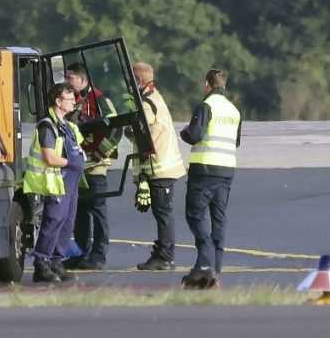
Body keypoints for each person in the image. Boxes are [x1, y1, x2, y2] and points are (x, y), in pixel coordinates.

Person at [179, 69, 241, 289]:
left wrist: (184, 133)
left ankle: (205, 262)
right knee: (218, 220)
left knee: (195, 215)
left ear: (207, 84)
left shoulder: (206, 106)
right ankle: (215, 271)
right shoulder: (234, 110)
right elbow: (236, 142)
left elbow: (195, 135)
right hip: (226, 170)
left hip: (205, 169)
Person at [23, 83, 86, 283]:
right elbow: (49, 157)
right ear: (58, 102)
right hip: (57, 180)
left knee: (67, 222)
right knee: (53, 221)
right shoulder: (47, 126)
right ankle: (41, 263)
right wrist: (71, 162)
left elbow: (79, 148)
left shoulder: (69, 126)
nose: (74, 102)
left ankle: (57, 262)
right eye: (70, 99)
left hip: (71, 181)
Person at [131, 62, 187, 271]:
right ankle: (164, 252)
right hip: (162, 167)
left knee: (163, 213)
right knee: (162, 212)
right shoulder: (155, 97)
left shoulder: (147, 103)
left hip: (160, 168)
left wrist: (143, 175)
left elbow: (144, 136)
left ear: (139, 80)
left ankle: (165, 256)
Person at [64, 63, 119, 270]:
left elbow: (116, 129)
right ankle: (80, 253)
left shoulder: (100, 100)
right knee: (79, 213)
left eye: (71, 78)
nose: (67, 82)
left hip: (96, 167)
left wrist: (99, 152)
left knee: (98, 212)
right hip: (77, 167)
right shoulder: (71, 102)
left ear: (82, 80)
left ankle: (98, 255)